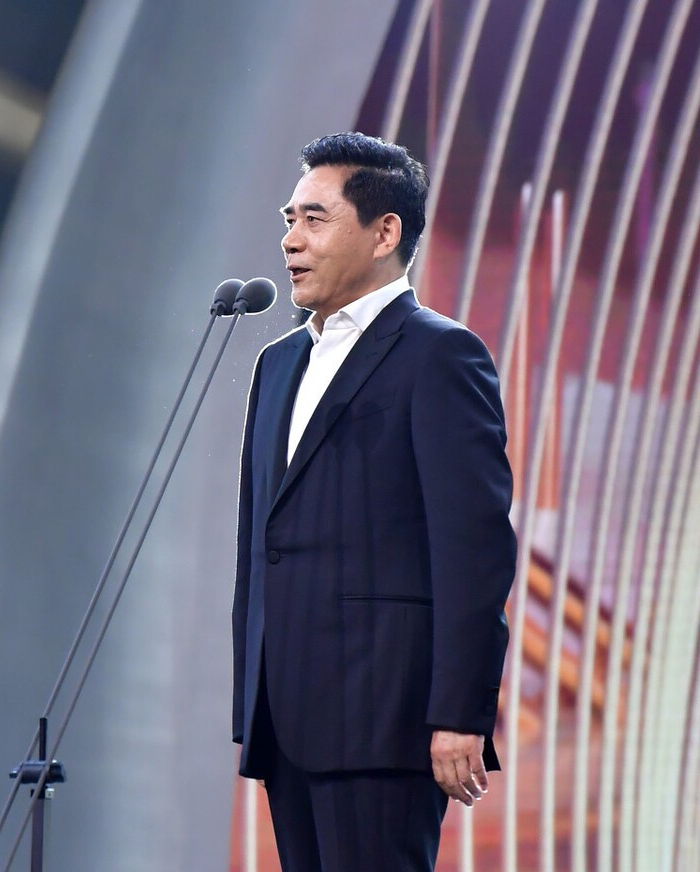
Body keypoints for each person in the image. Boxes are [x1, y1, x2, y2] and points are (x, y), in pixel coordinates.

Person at [231, 132, 516, 870]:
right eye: (289, 219)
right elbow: (261, 539)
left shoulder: (440, 354)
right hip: (286, 712)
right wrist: (250, 695)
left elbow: (474, 549)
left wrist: (460, 712)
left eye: (315, 219)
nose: (291, 240)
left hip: (385, 715)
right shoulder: (278, 363)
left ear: (385, 232)